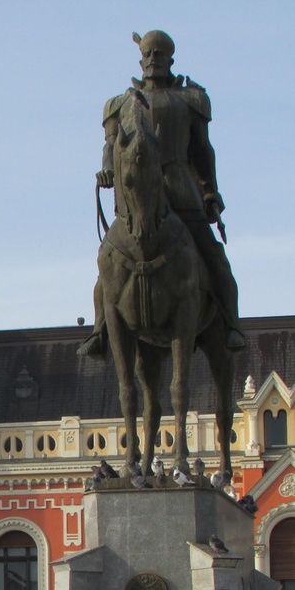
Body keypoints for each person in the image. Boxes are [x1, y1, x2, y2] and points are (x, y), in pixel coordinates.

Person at [78, 29, 245, 357]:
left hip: (179, 189)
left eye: (160, 54)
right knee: (107, 260)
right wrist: (108, 170)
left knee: (214, 255)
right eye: (148, 54)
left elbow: (203, 150)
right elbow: (110, 146)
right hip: (136, 195)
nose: (153, 59)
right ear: (140, 58)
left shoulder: (190, 99)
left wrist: (210, 192)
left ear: (170, 59)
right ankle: (100, 329)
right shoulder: (120, 103)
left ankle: (230, 323)